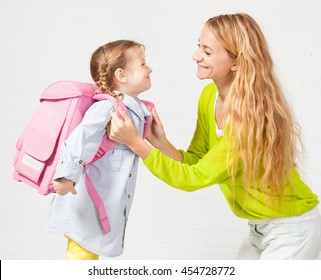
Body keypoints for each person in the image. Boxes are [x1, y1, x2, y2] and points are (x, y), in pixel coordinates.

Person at [108, 13, 321, 259]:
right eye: (199, 46)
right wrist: (161, 144)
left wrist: (136, 144)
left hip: (292, 229)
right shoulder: (209, 96)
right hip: (258, 229)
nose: (196, 56)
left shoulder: (250, 119)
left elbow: (194, 178)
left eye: (207, 52)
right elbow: (198, 159)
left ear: (237, 62)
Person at [41, 40, 153, 260]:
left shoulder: (136, 109)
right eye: (143, 64)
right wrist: (65, 177)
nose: (149, 69)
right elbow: (79, 140)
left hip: (101, 207)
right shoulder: (106, 107)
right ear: (122, 75)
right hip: (84, 206)